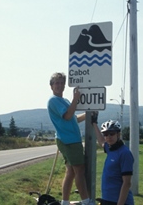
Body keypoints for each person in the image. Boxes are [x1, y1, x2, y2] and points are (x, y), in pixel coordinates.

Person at [47, 72, 94, 205]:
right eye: (57, 83)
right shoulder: (53, 100)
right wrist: (76, 99)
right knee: (79, 170)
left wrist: (89, 113)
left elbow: (73, 118)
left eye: (62, 82)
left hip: (69, 139)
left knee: (71, 172)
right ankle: (86, 201)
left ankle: (65, 202)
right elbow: (67, 116)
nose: (60, 85)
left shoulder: (64, 101)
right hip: (69, 140)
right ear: (51, 86)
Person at [91, 112, 135, 205]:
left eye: (111, 134)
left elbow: (127, 183)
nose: (108, 137)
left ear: (118, 134)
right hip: (107, 198)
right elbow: (102, 142)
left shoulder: (124, 153)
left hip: (120, 201)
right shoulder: (110, 148)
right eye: (106, 134)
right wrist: (94, 123)